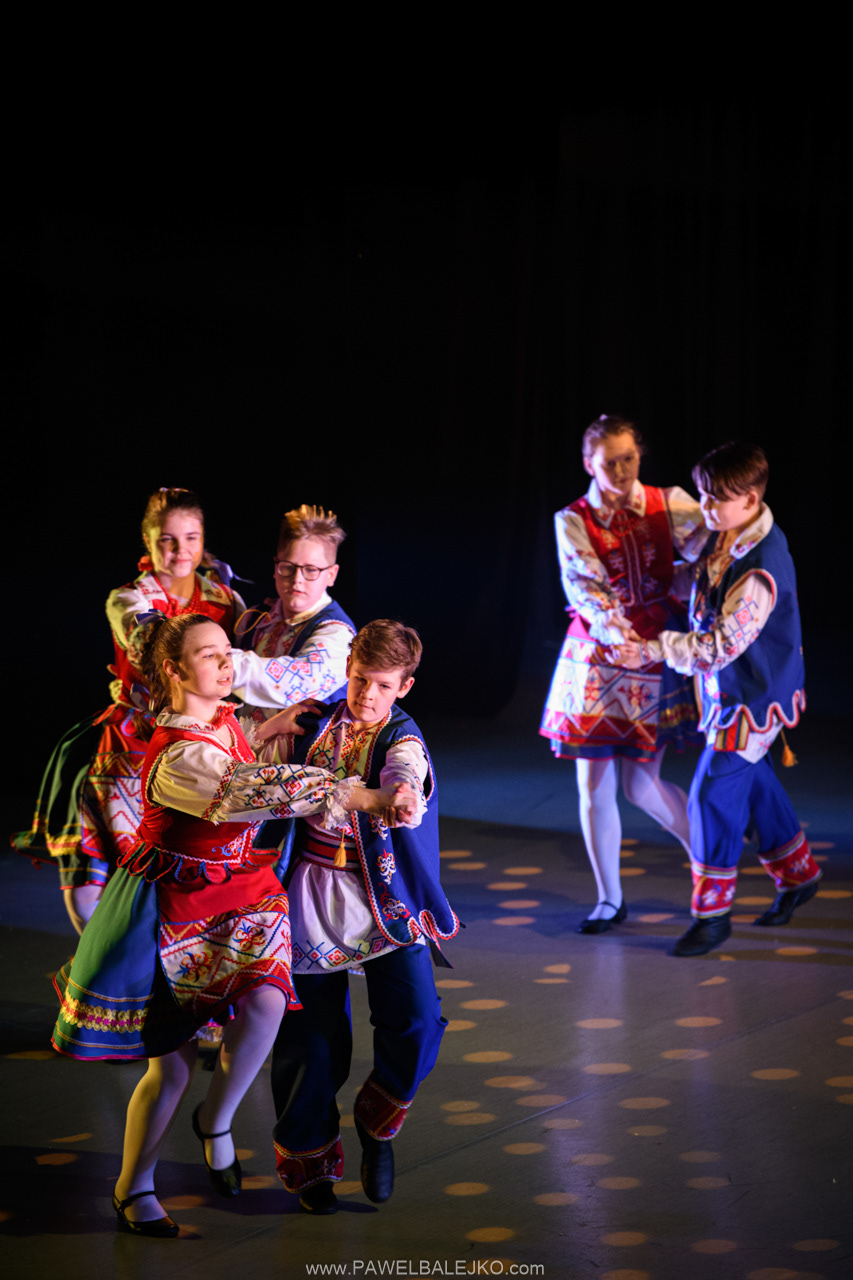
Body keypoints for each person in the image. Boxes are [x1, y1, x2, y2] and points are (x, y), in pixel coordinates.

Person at [51, 613, 413, 1238]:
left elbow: (237, 741)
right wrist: (360, 795)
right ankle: (134, 1185)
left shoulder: (220, 720)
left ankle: (215, 1119)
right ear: (173, 671)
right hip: (172, 901)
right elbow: (251, 787)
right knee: (171, 1066)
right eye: (210, 656)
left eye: (227, 652)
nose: (227, 663)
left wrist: (267, 727)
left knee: (269, 1002)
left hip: (236, 887)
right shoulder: (178, 755)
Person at [265, 620, 460, 1215]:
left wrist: (403, 795)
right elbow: (254, 763)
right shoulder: (312, 721)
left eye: (382, 684)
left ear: (404, 686)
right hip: (310, 891)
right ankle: (311, 1162)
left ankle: (377, 1124)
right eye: (359, 680)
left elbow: (405, 772)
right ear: (347, 671)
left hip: (383, 896)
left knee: (417, 1018)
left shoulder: (403, 738)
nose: (367, 695)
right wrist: (266, 728)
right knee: (309, 1038)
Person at [613, 441, 820, 957]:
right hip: (731, 690)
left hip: (755, 697)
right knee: (753, 783)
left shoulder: (760, 566)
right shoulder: (724, 532)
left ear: (750, 499)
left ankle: (712, 917)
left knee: (709, 795)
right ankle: (798, 875)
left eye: (716, 499)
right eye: (703, 495)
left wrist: (652, 647)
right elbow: (698, 578)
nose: (705, 506)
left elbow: (719, 646)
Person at [14, 487, 246, 934]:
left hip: (203, 746)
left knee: (190, 873)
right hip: (132, 745)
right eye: (168, 540)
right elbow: (154, 649)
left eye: (191, 538)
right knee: (97, 880)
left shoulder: (224, 600)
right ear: (148, 540)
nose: (181, 551)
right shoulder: (129, 599)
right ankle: (99, 964)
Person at [540, 414, 708, 932]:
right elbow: (587, 588)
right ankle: (609, 898)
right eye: (609, 461)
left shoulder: (668, 502)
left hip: (653, 651)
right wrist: (621, 636)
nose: (621, 469)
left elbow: (712, 549)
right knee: (593, 786)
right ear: (589, 463)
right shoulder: (573, 518)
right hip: (596, 657)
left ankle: (709, 864)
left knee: (641, 785)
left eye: (628, 458)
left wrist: (686, 580)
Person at [230, 504, 355, 712]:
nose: (297, 579)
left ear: (331, 575)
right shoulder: (254, 618)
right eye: (288, 567)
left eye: (311, 570)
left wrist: (218, 662)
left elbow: (299, 683)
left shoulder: (338, 633)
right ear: (275, 567)